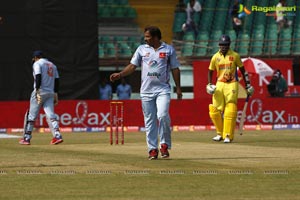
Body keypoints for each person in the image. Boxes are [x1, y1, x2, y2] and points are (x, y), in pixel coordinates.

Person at [110, 26, 182, 160]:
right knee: (149, 121)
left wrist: (178, 88)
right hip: (146, 91)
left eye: (148, 37)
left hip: (163, 90)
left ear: (155, 37)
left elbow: (175, 69)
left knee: (162, 115)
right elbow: (132, 66)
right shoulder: (141, 49)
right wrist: (120, 75)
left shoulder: (168, 49)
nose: (145, 39)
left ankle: (164, 144)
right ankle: (152, 149)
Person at [206, 35, 254, 143]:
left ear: (229, 45)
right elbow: (210, 71)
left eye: (226, 45)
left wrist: (248, 85)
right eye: (222, 45)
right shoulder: (215, 57)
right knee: (214, 110)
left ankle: (228, 135)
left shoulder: (235, 55)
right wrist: (209, 84)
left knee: (230, 109)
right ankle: (220, 133)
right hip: (219, 83)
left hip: (231, 83)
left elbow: (243, 71)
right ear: (219, 45)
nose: (224, 47)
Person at [19, 50, 63, 145]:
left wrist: (37, 90)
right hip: (50, 93)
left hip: (40, 91)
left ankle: (26, 138)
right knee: (51, 115)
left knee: (31, 116)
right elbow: (57, 81)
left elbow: (38, 76)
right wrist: (56, 93)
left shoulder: (37, 64)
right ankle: (57, 136)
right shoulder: (52, 65)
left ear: (36, 57)